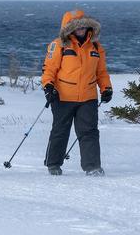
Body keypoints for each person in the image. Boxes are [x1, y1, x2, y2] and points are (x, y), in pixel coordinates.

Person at [41, 10, 113, 176]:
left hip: (88, 97)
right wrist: (48, 87)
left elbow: (101, 72)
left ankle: (92, 166)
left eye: (83, 26)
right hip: (62, 97)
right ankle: (53, 164)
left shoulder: (96, 47)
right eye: (76, 27)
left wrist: (106, 88)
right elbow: (49, 69)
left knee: (89, 131)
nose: (80, 30)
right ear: (68, 29)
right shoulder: (58, 45)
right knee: (60, 131)